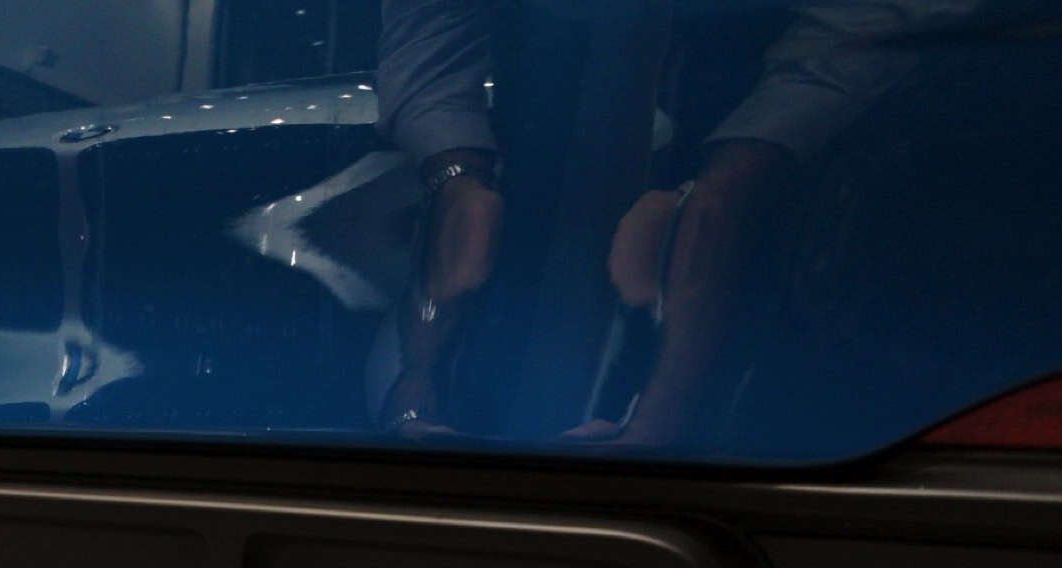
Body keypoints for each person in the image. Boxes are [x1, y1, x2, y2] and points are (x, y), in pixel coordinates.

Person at [376, 0, 980, 447]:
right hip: (545, 159)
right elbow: (431, 31)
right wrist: (455, 179)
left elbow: (884, 22)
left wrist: (735, 189)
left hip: (798, 186)